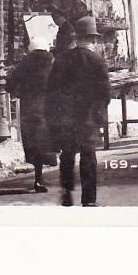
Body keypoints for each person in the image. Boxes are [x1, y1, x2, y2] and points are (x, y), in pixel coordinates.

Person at [46, 16, 111, 207]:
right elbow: (105, 93)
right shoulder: (97, 60)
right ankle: (89, 200)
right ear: (94, 39)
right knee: (88, 156)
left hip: (66, 117)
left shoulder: (62, 58)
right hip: (88, 118)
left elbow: (52, 89)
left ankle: (66, 190)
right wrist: (100, 112)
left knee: (67, 154)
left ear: (77, 38)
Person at [7, 37, 57, 193]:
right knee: (45, 142)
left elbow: (10, 84)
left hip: (29, 108)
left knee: (33, 143)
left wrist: (20, 93)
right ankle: (39, 178)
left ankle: (38, 178)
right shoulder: (52, 64)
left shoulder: (24, 65)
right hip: (47, 108)